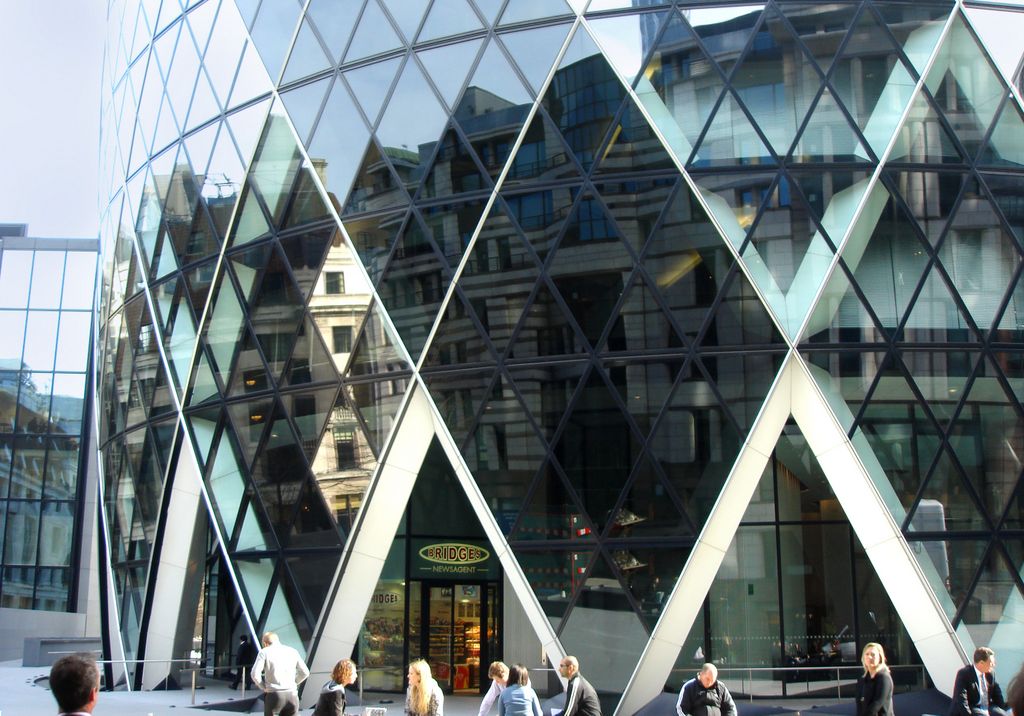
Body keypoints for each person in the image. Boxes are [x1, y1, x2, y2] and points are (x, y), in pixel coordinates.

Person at [251, 631, 311, 716]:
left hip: (274, 695)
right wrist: (294, 682)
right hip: (292, 694)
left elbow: (254, 674)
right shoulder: (293, 651)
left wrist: (264, 687)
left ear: (265, 643)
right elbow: (305, 672)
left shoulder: (264, 652)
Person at [949, 646, 1010, 716]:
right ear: (981, 663)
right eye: (991, 663)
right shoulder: (964, 674)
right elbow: (961, 699)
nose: (993, 665)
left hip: (987, 707)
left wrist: (1002, 710)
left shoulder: (990, 674)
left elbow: (997, 694)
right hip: (971, 707)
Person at [855, 643, 893, 716]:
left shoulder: (884, 678)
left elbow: (877, 703)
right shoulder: (863, 680)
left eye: (873, 654)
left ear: (880, 657)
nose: (869, 657)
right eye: (867, 654)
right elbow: (859, 705)